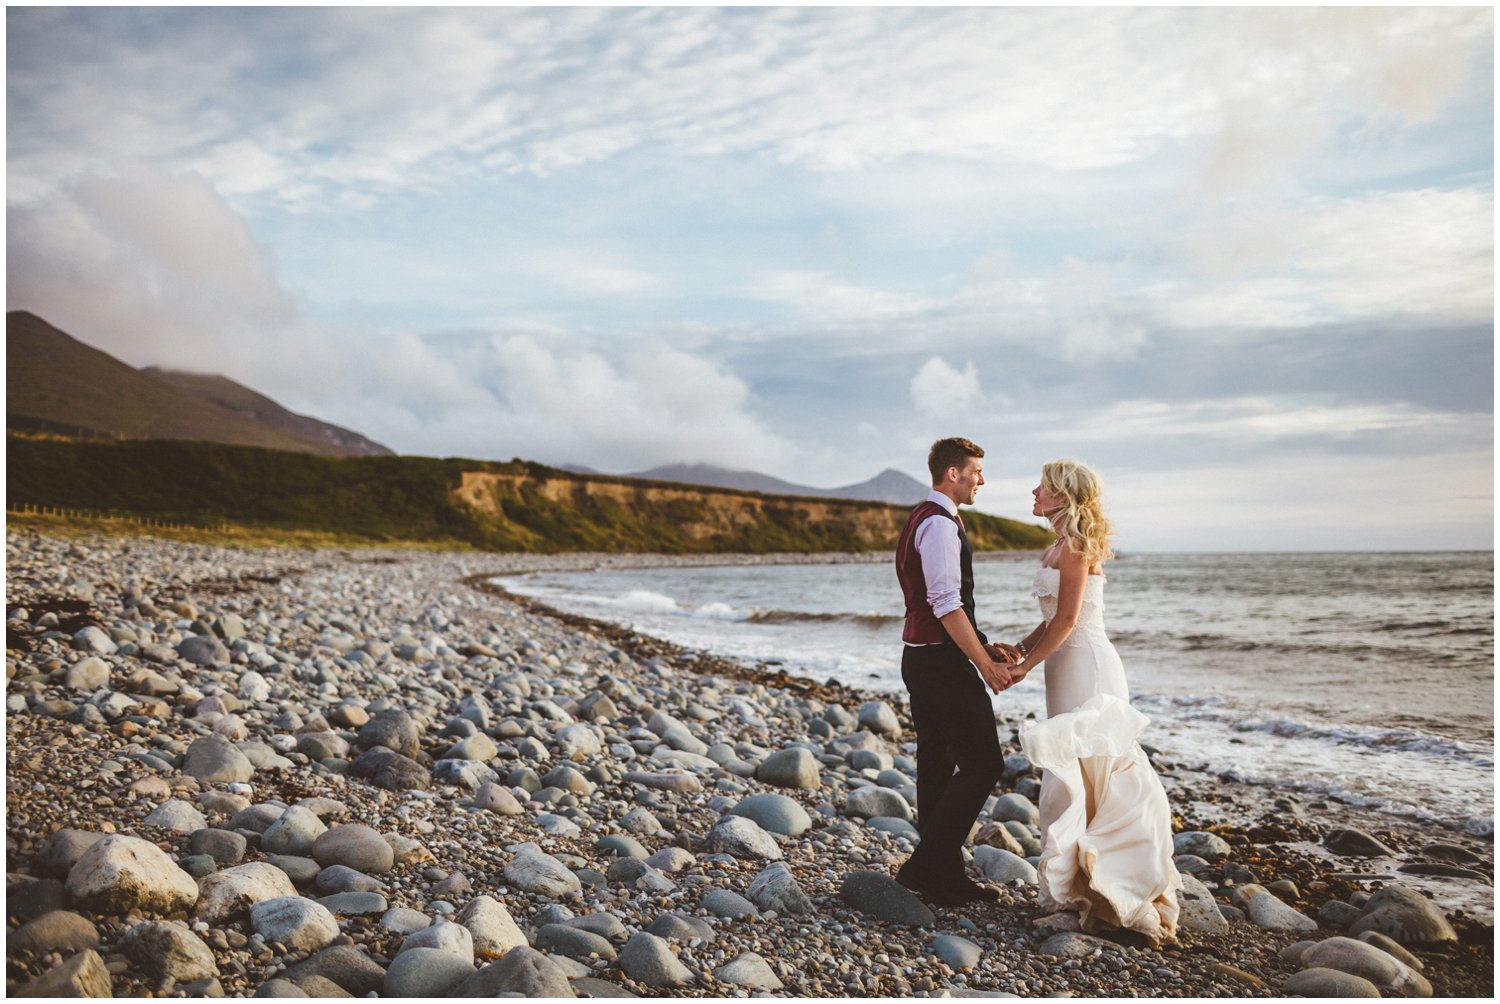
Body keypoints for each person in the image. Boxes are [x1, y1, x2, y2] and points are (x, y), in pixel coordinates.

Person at [1000, 459, 1180, 945]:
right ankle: (1075, 892)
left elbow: (1069, 622)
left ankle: (1116, 894)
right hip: (1063, 666)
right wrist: (1019, 648)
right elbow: (1050, 620)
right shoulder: (1054, 546)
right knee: (1071, 773)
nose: (1033, 492)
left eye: (1042, 487)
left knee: (1096, 770)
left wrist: (1024, 667)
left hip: (1090, 668)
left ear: (1063, 496)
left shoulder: (1077, 548)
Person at [892, 437, 1018, 907]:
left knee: (939, 764)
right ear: (953, 474)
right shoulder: (941, 526)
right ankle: (926, 866)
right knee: (985, 763)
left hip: (921, 657)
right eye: (976, 472)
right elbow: (946, 604)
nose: (981, 480)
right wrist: (983, 664)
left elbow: (940, 602)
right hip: (939, 663)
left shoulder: (923, 517)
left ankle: (943, 875)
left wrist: (984, 645)